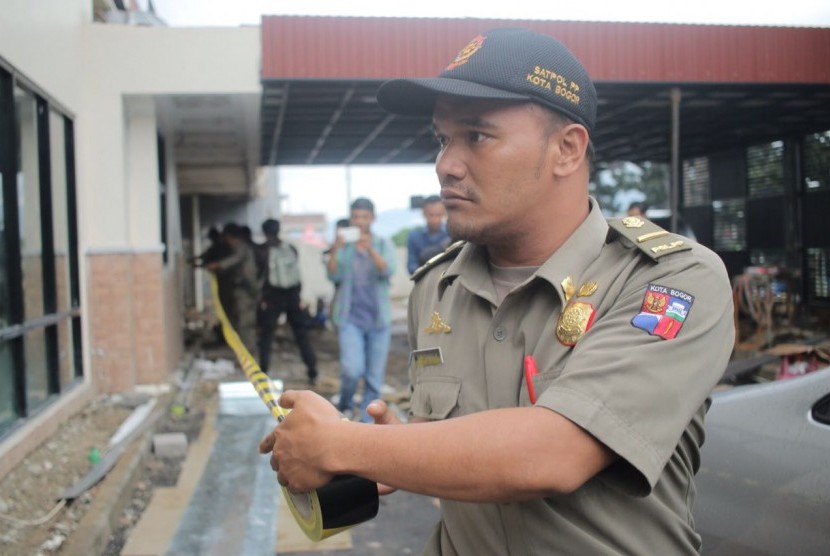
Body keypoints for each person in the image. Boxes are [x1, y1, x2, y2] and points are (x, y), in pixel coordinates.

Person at [260, 28, 734, 554]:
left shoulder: (668, 280)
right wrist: (386, 452)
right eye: (442, 139)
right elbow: (445, 445)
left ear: (567, 150)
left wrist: (347, 444)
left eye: (477, 136)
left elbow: (554, 453)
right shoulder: (436, 289)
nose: (446, 164)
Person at [324, 198, 397, 422]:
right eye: (356, 217)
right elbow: (332, 275)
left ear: (372, 218)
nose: (360, 221)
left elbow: (388, 271)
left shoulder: (383, 244)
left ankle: (367, 419)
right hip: (350, 319)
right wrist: (335, 249)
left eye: (365, 217)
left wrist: (370, 250)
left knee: (374, 378)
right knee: (352, 369)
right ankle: (346, 403)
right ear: (351, 218)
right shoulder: (345, 247)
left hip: (378, 320)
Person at [257, 218, 319, 385]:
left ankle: (263, 372)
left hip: (272, 297)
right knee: (301, 335)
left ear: (264, 231)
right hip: (292, 296)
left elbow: (260, 277)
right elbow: (297, 274)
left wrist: (261, 297)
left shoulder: (262, 250)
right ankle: (312, 370)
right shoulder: (290, 248)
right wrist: (298, 296)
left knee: (266, 336)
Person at [207, 223, 260, 354]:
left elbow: (235, 259)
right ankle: (246, 351)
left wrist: (218, 265)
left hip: (246, 290)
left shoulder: (241, 247)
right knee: (240, 321)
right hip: (243, 289)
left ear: (230, 237)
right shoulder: (242, 247)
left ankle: (249, 352)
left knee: (245, 323)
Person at [406, 194, 452, 274]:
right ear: (423, 213)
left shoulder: (452, 234)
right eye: (431, 215)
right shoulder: (414, 237)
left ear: (444, 213)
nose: (434, 219)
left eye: (438, 215)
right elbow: (411, 267)